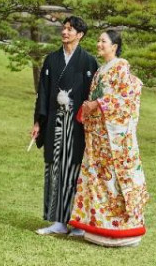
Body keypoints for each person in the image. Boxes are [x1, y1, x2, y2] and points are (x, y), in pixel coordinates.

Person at [69, 29, 149, 247]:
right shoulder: (100, 70)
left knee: (115, 178)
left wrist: (99, 104)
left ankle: (123, 231)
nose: (98, 44)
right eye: (98, 41)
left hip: (115, 138)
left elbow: (127, 95)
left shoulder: (121, 67)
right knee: (98, 178)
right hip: (98, 136)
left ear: (114, 46)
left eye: (103, 41)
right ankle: (97, 228)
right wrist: (88, 106)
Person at [31, 16, 98, 236]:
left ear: (80, 35)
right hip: (55, 122)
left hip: (77, 124)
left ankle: (77, 222)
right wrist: (38, 122)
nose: (65, 32)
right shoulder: (51, 60)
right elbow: (43, 92)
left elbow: (94, 95)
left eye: (70, 29)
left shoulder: (89, 62)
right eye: (64, 28)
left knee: (75, 170)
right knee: (55, 169)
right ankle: (58, 221)